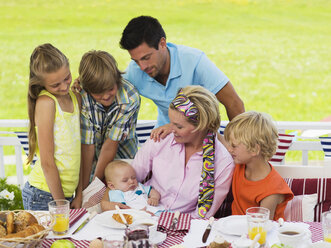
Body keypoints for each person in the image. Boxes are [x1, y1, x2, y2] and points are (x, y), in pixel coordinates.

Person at [120, 15, 245, 140]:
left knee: (212, 157)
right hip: (164, 135)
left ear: (162, 44)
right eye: (136, 61)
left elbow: (234, 103)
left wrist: (237, 145)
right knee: (149, 157)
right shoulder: (134, 71)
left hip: (202, 136)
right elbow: (110, 97)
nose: (142, 67)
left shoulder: (195, 62)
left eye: (146, 58)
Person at [130, 85, 234, 218]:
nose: (170, 128)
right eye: (170, 122)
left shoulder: (222, 163)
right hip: (142, 213)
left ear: (201, 126)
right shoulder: (161, 139)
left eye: (178, 126)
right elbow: (129, 178)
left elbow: (202, 216)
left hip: (183, 226)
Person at [22, 43, 83, 210]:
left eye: (67, 78)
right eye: (55, 85)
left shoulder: (75, 98)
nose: (64, 86)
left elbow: (78, 150)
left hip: (66, 195)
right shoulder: (46, 103)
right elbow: (47, 162)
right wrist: (61, 204)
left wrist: (79, 194)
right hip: (44, 195)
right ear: (41, 84)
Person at [78, 50, 140, 189]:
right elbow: (87, 147)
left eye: (110, 89)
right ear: (87, 89)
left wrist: (95, 186)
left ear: (117, 80)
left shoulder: (129, 97)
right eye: (99, 93)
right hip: (92, 160)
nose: (106, 96)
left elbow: (111, 143)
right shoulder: (82, 97)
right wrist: (84, 190)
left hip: (123, 159)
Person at [224, 111, 294, 221]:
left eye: (234, 146)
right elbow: (217, 137)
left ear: (254, 150)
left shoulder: (271, 189)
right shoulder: (241, 163)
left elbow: (262, 227)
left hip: (259, 235)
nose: (229, 149)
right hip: (237, 231)